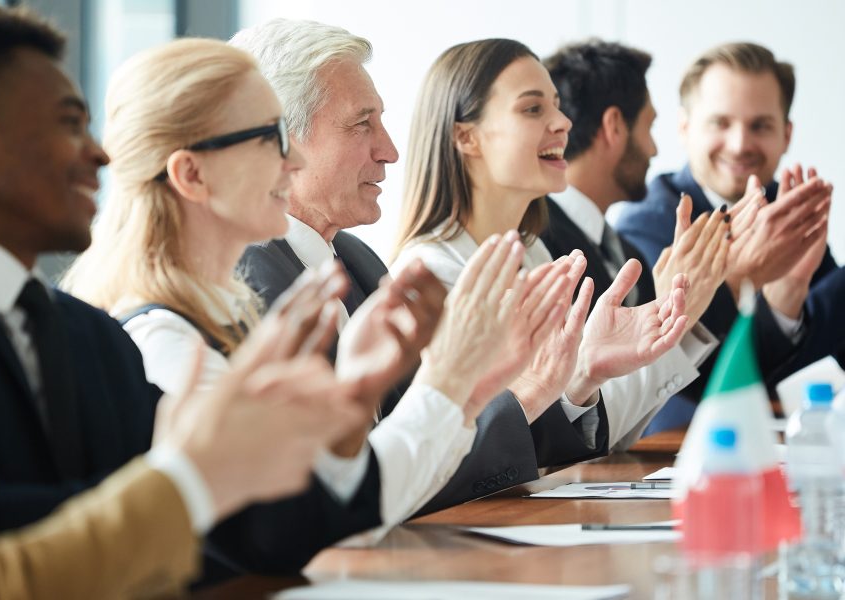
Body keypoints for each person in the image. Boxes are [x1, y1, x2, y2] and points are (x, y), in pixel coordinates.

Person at [0, 0, 367, 597]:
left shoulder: (93, 336)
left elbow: (248, 532)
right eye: (69, 124)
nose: (99, 155)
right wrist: (196, 480)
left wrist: (340, 410)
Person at [62, 36, 571, 565]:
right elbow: (313, 522)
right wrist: (449, 386)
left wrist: (455, 392)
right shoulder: (163, 340)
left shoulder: (235, 307)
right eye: (269, 138)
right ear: (191, 175)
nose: (293, 158)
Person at [231, 20, 610, 513]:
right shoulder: (245, 281)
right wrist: (522, 387)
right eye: (361, 123)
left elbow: (434, 451)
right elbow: (359, 482)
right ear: (280, 137)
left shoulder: (360, 261)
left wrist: (543, 385)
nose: (388, 151)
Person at [393, 38, 693, 452]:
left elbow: (558, 444)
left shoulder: (535, 254)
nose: (563, 122)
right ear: (466, 137)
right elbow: (458, 459)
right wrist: (578, 374)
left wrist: (586, 375)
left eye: (556, 105)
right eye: (533, 109)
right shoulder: (430, 273)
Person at [613, 42, 839, 429]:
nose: (739, 145)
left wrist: (790, 291)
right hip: (669, 458)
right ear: (684, 129)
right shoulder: (646, 227)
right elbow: (681, 373)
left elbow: (823, 360)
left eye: (760, 126)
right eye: (720, 123)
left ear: (786, 135)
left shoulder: (791, 215)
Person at [540, 40, 730, 436]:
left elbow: (626, 429)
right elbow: (573, 424)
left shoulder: (622, 250)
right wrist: (673, 309)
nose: (654, 148)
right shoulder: (538, 244)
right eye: (649, 126)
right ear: (614, 126)